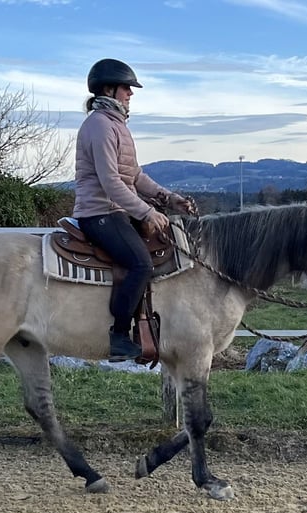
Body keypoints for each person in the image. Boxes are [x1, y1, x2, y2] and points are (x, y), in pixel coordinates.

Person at [73, 58, 193, 362]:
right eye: (127, 87)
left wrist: (168, 198)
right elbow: (111, 182)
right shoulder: (99, 126)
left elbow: (135, 176)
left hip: (115, 210)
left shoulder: (117, 126)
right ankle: (118, 336)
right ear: (109, 89)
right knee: (141, 264)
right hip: (98, 212)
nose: (131, 93)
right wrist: (146, 213)